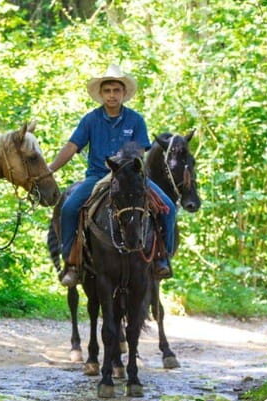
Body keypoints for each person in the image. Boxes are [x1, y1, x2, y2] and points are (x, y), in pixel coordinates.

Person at [48, 64, 177, 287]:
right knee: (68, 209)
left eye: (116, 90)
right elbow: (72, 146)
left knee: (169, 208)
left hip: (131, 178)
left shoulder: (136, 120)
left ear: (124, 93)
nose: (112, 95)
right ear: (101, 94)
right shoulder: (90, 120)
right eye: (107, 91)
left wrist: (126, 165)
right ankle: (71, 263)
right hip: (97, 176)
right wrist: (50, 169)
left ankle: (161, 259)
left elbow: (139, 151)